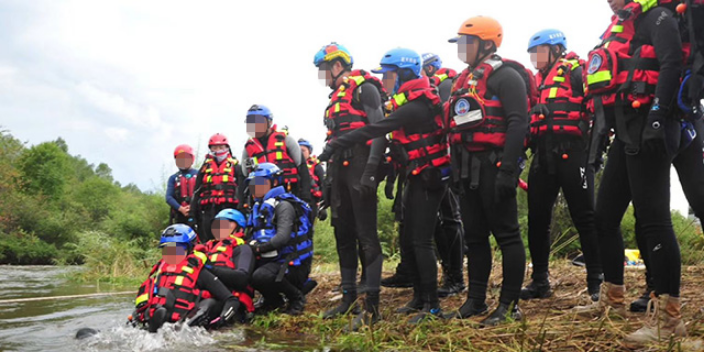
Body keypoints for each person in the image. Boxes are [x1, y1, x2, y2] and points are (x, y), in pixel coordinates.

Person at [573, 0, 687, 345]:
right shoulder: (622, 26)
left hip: (651, 126)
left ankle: (670, 322)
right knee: (604, 217)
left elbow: (672, 63)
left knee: (653, 221)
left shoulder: (659, 17)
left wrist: (657, 113)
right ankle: (613, 299)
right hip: (626, 129)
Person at [319, 47, 451, 325]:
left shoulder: (413, 103)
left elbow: (375, 129)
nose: (386, 81)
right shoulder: (404, 102)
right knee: (407, 239)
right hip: (412, 174)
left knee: (417, 240)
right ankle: (412, 299)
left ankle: (401, 307)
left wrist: (365, 167)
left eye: (389, 75)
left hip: (427, 176)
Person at [442, 16, 534, 326]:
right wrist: (455, 170)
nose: (462, 49)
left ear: (487, 44)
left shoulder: (506, 76)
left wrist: (509, 170)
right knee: (476, 238)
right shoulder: (463, 80)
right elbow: (455, 126)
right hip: (468, 170)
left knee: (507, 236)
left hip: (495, 166)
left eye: (467, 43)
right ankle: (476, 300)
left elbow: (518, 123)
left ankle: (509, 305)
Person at [520, 29, 603, 302]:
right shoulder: (537, 82)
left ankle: (596, 281)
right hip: (544, 155)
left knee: (585, 217)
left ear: (555, 50)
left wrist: (596, 152)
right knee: (537, 218)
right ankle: (540, 281)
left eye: (539, 51)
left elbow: (596, 111)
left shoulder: (577, 71)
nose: (534, 57)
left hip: (575, 154)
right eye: (532, 53)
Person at [313, 42, 386, 324]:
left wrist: (371, 169)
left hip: (359, 163)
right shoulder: (335, 98)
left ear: (337, 66)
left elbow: (379, 130)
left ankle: (372, 308)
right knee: (343, 234)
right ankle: (348, 299)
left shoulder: (363, 88)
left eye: (323, 69)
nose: (321, 76)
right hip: (338, 168)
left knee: (366, 236)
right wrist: (328, 185)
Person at [130, 224, 240, 332]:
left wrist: (222, 319)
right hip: (160, 318)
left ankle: (182, 329)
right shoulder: (160, 270)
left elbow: (231, 300)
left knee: (210, 302)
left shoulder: (200, 272)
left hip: (186, 321)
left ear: (190, 248)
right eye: (167, 249)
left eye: (177, 249)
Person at [248, 163, 314, 316]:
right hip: (273, 261)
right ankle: (272, 300)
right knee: (243, 270)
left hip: (294, 264)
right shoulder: (258, 207)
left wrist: (258, 248)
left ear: (275, 182)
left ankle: (296, 297)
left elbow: (282, 239)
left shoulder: (284, 205)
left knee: (261, 276)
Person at [195, 208, 256, 323]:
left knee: (207, 307)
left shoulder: (242, 249)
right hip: (203, 297)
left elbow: (242, 278)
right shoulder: (206, 249)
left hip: (230, 302)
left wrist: (210, 268)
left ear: (239, 228)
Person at [242, 104, 312, 203]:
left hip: (288, 192)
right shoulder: (248, 147)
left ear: (269, 122)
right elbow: (244, 175)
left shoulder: (286, 140)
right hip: (261, 196)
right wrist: (242, 203)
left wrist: (306, 196)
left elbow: (303, 168)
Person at [190, 133, 244, 242]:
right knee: (209, 239)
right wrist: (192, 214)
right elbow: (196, 192)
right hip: (209, 209)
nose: (218, 150)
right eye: (214, 147)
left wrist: (241, 208)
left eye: (221, 147)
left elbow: (242, 190)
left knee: (227, 239)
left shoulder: (236, 167)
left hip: (229, 209)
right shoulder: (205, 168)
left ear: (227, 148)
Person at [166, 144, 198, 226]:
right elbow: (168, 197)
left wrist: (193, 208)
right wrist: (181, 209)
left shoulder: (199, 175)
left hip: (198, 213)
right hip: (180, 215)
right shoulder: (173, 178)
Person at [298, 138, 327, 222]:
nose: (300, 153)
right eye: (298, 151)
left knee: (309, 223)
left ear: (309, 152)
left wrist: (321, 202)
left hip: (312, 199)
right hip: (297, 197)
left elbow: (323, 184)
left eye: (303, 151)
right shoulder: (293, 165)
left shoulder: (316, 166)